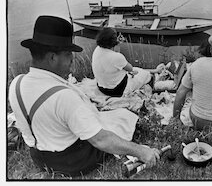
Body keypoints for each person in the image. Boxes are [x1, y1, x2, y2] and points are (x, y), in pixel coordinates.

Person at [8, 16, 160, 176]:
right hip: (71, 161)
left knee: (110, 118)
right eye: (68, 54)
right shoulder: (64, 96)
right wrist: (142, 152)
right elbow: (100, 140)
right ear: (52, 57)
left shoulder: (16, 83)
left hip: (38, 157)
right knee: (121, 119)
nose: (72, 59)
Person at [92, 28, 162, 97]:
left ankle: (155, 70)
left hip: (102, 88)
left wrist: (116, 44)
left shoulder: (97, 50)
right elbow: (130, 68)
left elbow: (113, 60)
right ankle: (154, 84)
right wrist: (117, 45)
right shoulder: (117, 57)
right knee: (145, 75)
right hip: (116, 90)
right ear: (113, 42)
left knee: (135, 70)